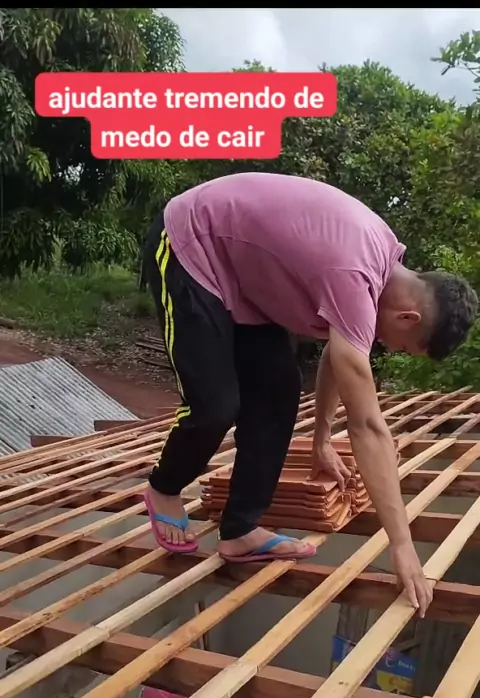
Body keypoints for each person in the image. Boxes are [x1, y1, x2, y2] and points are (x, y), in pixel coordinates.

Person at [143, 172, 477, 617]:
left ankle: (240, 529)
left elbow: (338, 358)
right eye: (402, 346)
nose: (389, 348)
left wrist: (321, 440)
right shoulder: (354, 274)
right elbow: (368, 427)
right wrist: (401, 543)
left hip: (243, 280)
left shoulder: (380, 270)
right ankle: (164, 488)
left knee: (279, 395)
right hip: (193, 246)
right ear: (409, 317)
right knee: (214, 405)